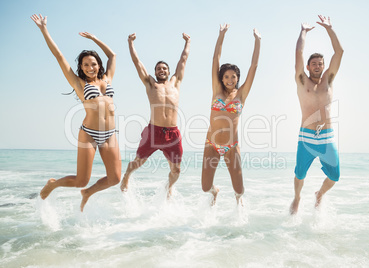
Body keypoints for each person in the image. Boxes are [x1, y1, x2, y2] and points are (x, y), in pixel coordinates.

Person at [31, 14, 121, 212]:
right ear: (81, 67)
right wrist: (44, 30)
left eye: (93, 63)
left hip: (110, 134)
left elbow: (113, 55)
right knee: (81, 180)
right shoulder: (79, 83)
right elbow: (59, 56)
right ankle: (53, 184)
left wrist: (94, 38)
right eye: (85, 65)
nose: (90, 67)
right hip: (89, 133)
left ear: (98, 64)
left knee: (115, 178)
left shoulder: (108, 78)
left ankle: (88, 193)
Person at [120, 32, 191, 197]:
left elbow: (184, 59)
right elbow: (137, 62)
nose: (162, 70)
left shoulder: (176, 82)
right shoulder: (150, 84)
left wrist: (187, 42)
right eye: (159, 68)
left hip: (172, 133)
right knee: (138, 162)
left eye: (164, 68)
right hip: (154, 131)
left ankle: (168, 187)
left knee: (177, 169)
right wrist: (130, 43)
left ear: (168, 71)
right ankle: (127, 176)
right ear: (155, 71)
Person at [201, 24, 261, 205]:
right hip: (211, 144)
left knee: (239, 190)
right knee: (205, 187)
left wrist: (258, 41)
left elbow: (254, 66)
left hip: (231, 147)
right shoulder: (216, 91)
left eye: (233, 76)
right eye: (226, 76)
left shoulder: (241, 95)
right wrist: (221, 35)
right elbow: (215, 59)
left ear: (237, 78)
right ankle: (215, 192)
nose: (229, 80)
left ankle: (238, 201)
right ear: (221, 78)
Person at [290, 15, 344, 214]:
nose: (317, 66)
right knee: (299, 174)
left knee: (335, 176)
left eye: (320, 63)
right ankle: (297, 198)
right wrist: (303, 32)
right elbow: (298, 52)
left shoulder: (328, 81)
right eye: (314, 63)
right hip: (306, 138)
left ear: (324, 66)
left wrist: (329, 28)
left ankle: (319, 193)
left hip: (326, 138)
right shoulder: (302, 81)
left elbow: (339, 52)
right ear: (308, 66)